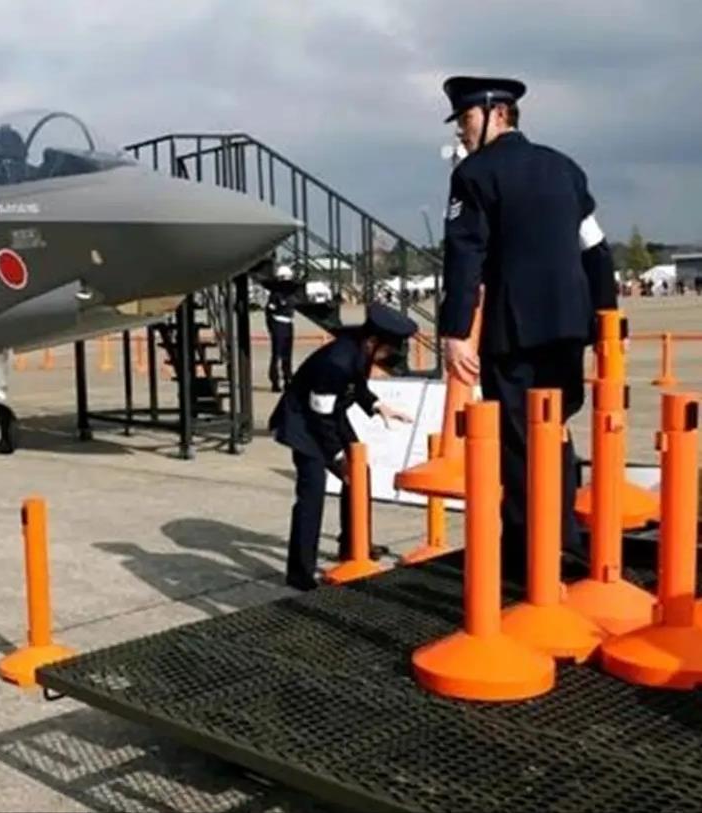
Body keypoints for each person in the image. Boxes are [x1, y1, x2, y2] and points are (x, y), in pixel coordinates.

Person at [436, 76, 617, 581]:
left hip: (514, 332)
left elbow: (465, 255)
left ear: (497, 113)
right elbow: (596, 249)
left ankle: (527, 552)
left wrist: (455, 332)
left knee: (517, 443)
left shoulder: (474, 174)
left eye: (467, 119)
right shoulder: (564, 168)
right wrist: (607, 319)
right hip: (569, 328)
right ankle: (565, 541)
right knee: (555, 434)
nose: (462, 132)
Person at [269, 303, 417, 591]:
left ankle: (353, 545)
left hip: (329, 416)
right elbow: (319, 416)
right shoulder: (336, 361)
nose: (388, 356)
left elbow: (356, 385)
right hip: (304, 424)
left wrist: (378, 406)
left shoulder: (359, 348)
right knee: (312, 492)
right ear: (373, 342)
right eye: (388, 350)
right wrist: (339, 458)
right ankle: (300, 572)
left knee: (360, 473)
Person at [264, 266, 301, 392]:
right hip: (278, 323)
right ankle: (275, 380)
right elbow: (269, 312)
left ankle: (287, 378)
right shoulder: (276, 295)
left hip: (288, 323)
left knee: (287, 354)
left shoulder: (290, 294)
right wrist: (272, 328)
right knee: (277, 354)